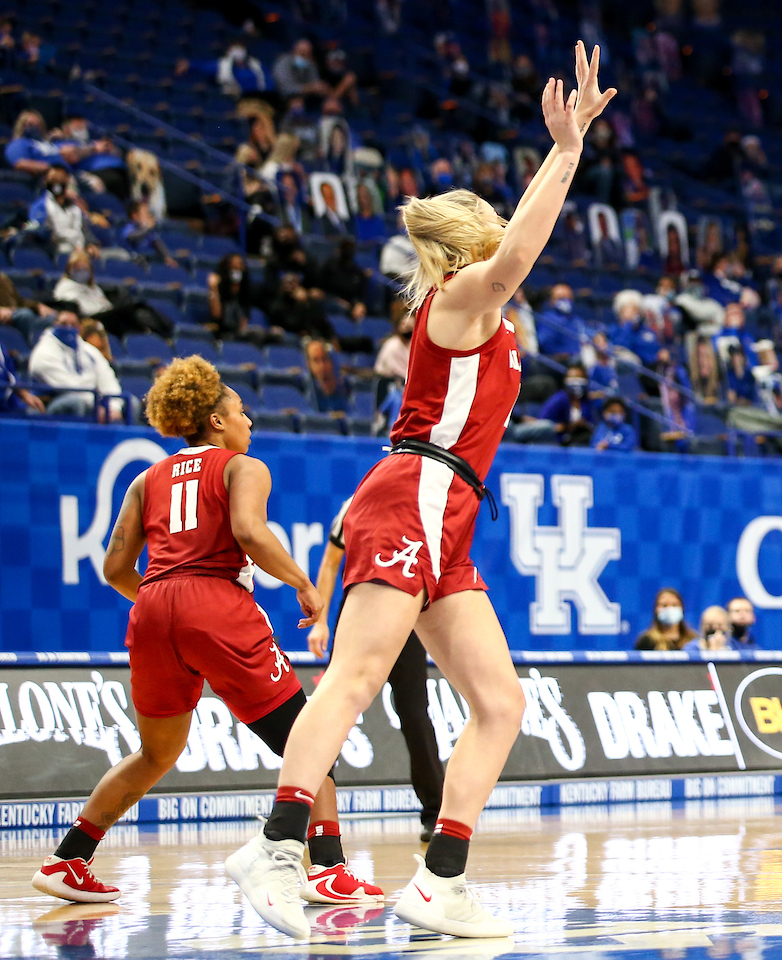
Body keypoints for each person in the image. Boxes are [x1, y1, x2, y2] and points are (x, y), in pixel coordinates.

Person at [224, 41, 615, 941]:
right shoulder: (461, 298)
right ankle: (276, 846)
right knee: (357, 677)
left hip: (449, 515)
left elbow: (515, 253)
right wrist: (566, 150)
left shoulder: (479, 305)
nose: (506, 234)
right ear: (473, 238)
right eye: (495, 226)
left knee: (500, 703)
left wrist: (561, 155)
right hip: (414, 494)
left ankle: (440, 880)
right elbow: (518, 254)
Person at [31, 357, 380, 906]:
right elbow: (249, 531)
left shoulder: (145, 479)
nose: (249, 422)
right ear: (216, 421)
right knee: (311, 736)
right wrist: (303, 583)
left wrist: (166, 604)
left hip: (151, 606)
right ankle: (328, 869)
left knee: (154, 754)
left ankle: (68, 858)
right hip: (216, 602)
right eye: (241, 411)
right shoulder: (243, 467)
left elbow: (115, 569)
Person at [307, 497, 445, 843]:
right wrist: (320, 621)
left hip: (404, 616)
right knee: (332, 713)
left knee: (414, 715)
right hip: (360, 615)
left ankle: (437, 815)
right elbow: (330, 563)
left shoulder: (420, 503)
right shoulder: (356, 503)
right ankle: (307, 814)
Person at [27, 312, 124, 419]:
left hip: (92, 400)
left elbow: (107, 378)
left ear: (79, 327)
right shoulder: (44, 352)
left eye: (73, 324)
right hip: (51, 403)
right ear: (55, 325)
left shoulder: (89, 351)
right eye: (64, 324)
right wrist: (98, 406)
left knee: (131, 404)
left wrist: (113, 407)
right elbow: (67, 387)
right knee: (75, 402)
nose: (69, 328)